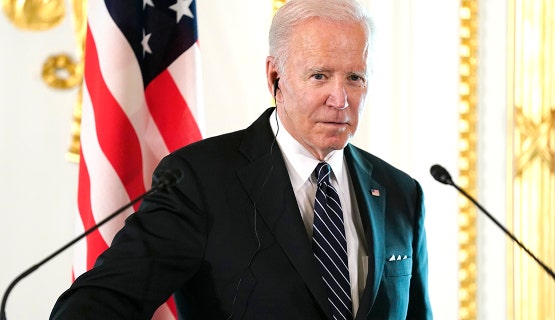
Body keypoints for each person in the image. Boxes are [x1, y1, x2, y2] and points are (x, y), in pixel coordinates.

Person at [50, 0, 432, 318]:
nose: (340, 98)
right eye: (319, 76)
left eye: (355, 78)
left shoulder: (401, 193)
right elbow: (96, 305)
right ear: (275, 78)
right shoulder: (200, 181)